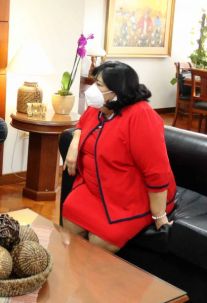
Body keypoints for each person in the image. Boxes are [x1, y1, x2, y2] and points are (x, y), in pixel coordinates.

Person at [62, 61, 176, 253]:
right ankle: (74, 281)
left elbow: (157, 170)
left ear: (117, 91)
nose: (92, 89)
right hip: (93, 188)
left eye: (98, 85)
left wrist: (159, 216)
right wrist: (75, 141)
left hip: (129, 197)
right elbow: (82, 122)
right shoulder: (99, 107)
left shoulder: (141, 116)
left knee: (99, 240)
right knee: (70, 219)